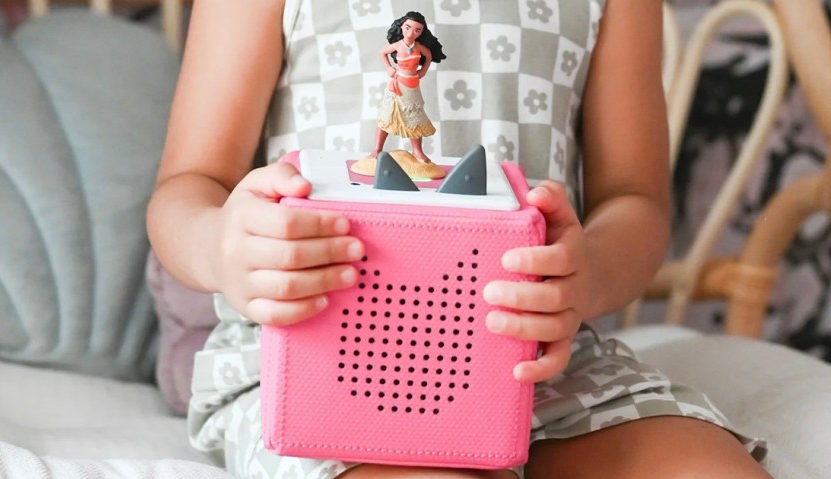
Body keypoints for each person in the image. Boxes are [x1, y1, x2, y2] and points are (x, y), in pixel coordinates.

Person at [146, 1, 772, 478]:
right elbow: (187, 186)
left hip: (539, 362)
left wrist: (588, 273)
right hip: (314, 361)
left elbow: (635, 201)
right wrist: (221, 247)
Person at [371, 11, 445, 163]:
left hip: (412, 86)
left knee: (415, 118)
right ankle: (377, 149)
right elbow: (382, 52)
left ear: (421, 32)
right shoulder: (398, 45)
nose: (411, 32)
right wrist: (389, 68)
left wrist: (422, 71)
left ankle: (417, 151)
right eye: (408, 27)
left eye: (417, 30)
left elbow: (429, 56)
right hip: (397, 85)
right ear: (401, 27)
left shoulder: (418, 46)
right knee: (387, 116)